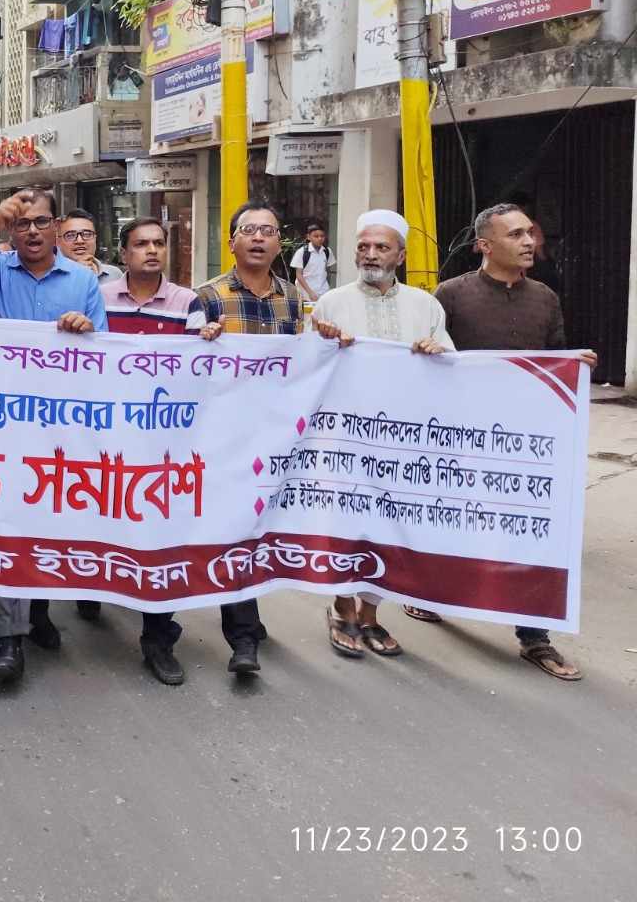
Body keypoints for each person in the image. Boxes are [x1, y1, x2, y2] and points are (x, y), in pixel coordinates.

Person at [427, 202, 597, 682]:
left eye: (530, 234)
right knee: (452, 527)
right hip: (463, 441)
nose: (529, 242)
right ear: (485, 245)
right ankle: (428, 597)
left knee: (533, 536)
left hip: (527, 445)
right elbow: (431, 366)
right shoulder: (451, 296)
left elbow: (551, 363)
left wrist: (574, 365)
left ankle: (535, 636)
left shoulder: (545, 297)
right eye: (516, 234)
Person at [0, 188, 106, 682]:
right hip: (0, 422)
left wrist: (84, 330)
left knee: (46, 522)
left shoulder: (83, 282)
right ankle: (9, 641)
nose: (31, 231)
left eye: (40, 222)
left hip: (58, 425)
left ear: (56, 226)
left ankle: (36, 614)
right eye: (21, 224)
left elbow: (104, 356)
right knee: (7, 519)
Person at [190, 201, 348, 676]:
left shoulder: (298, 302)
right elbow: (184, 363)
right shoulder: (208, 297)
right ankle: (242, 636)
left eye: (268, 231)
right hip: (222, 438)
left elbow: (310, 362)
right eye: (249, 230)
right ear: (233, 241)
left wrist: (329, 340)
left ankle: (248, 619)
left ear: (281, 243)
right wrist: (201, 338)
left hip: (279, 440)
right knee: (234, 530)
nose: (258, 238)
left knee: (262, 531)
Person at [310, 209, 453, 661]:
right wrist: (324, 340)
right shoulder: (331, 302)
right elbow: (307, 364)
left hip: (403, 440)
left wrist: (435, 351)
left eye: (381, 247)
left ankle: (371, 614)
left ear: (401, 255)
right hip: (345, 437)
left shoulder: (425, 305)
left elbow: (452, 365)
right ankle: (342, 607)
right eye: (364, 247)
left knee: (389, 528)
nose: (370, 255)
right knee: (346, 526)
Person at [98, 216, 215, 685]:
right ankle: (91, 590)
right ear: (123, 254)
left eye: (158, 243)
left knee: (161, 538)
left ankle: (158, 637)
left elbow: (201, 365)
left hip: (164, 443)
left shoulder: (189, 303)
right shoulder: (100, 298)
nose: (151, 250)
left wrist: (208, 341)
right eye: (141, 244)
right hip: (105, 438)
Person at [57, 209, 124, 284]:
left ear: (95, 238)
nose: (80, 241)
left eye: (87, 234)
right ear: (58, 242)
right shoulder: (51, 278)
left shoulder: (114, 275)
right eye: (70, 235)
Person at [290, 220, 335, 302]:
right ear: (308, 237)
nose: (320, 238)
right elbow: (299, 275)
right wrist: (310, 292)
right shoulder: (302, 252)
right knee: (307, 314)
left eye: (322, 236)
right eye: (316, 236)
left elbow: (327, 271)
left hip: (323, 292)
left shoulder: (327, 251)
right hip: (305, 295)